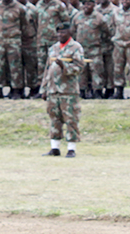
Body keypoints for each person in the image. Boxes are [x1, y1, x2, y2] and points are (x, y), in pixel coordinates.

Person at [40, 22, 84, 158]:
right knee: (54, 118)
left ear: (69, 33)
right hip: (53, 89)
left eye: (63, 32)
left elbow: (79, 67)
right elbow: (48, 69)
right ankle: (55, 147)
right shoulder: (53, 48)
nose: (60, 35)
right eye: (58, 32)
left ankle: (71, 148)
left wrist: (64, 66)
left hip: (68, 90)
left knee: (71, 119)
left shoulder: (76, 47)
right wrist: (44, 87)